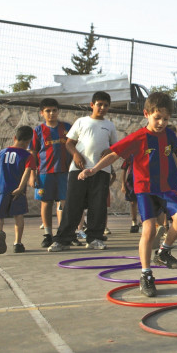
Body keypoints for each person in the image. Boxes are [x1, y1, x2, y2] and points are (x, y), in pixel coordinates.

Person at [78, 92, 177, 297]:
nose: (161, 122)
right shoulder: (138, 137)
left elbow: (172, 155)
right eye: (157, 118)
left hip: (167, 187)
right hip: (145, 189)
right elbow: (114, 154)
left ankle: (164, 251)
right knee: (148, 229)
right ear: (146, 114)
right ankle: (146, 274)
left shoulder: (170, 135)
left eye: (165, 119)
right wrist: (94, 169)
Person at [48, 91, 117, 252]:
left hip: (101, 170)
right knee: (73, 204)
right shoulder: (81, 122)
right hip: (78, 169)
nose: (102, 108)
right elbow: (69, 143)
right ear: (92, 105)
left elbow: (115, 147)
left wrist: (109, 150)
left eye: (106, 105)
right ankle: (63, 239)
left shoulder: (110, 125)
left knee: (98, 205)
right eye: (99, 104)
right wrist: (76, 155)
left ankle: (95, 238)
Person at [29, 98, 72, 248]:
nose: (51, 113)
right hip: (44, 172)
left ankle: (62, 234)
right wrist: (32, 173)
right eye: (48, 110)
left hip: (64, 172)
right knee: (46, 202)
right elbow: (33, 153)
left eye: (54, 110)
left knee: (63, 202)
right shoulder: (38, 131)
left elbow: (75, 145)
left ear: (58, 111)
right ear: (42, 113)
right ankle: (47, 234)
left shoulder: (66, 128)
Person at [0, 126, 36, 254]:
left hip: (2, 189)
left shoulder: (2, 152)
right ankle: (17, 243)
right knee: (18, 215)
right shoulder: (27, 155)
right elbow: (27, 172)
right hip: (17, 190)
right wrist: (21, 188)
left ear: (15, 138)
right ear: (29, 141)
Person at [121, 156, 140, 233]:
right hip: (131, 182)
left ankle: (144, 221)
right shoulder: (130, 155)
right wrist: (123, 184)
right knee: (132, 203)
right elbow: (124, 169)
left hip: (143, 180)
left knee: (145, 202)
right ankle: (134, 222)